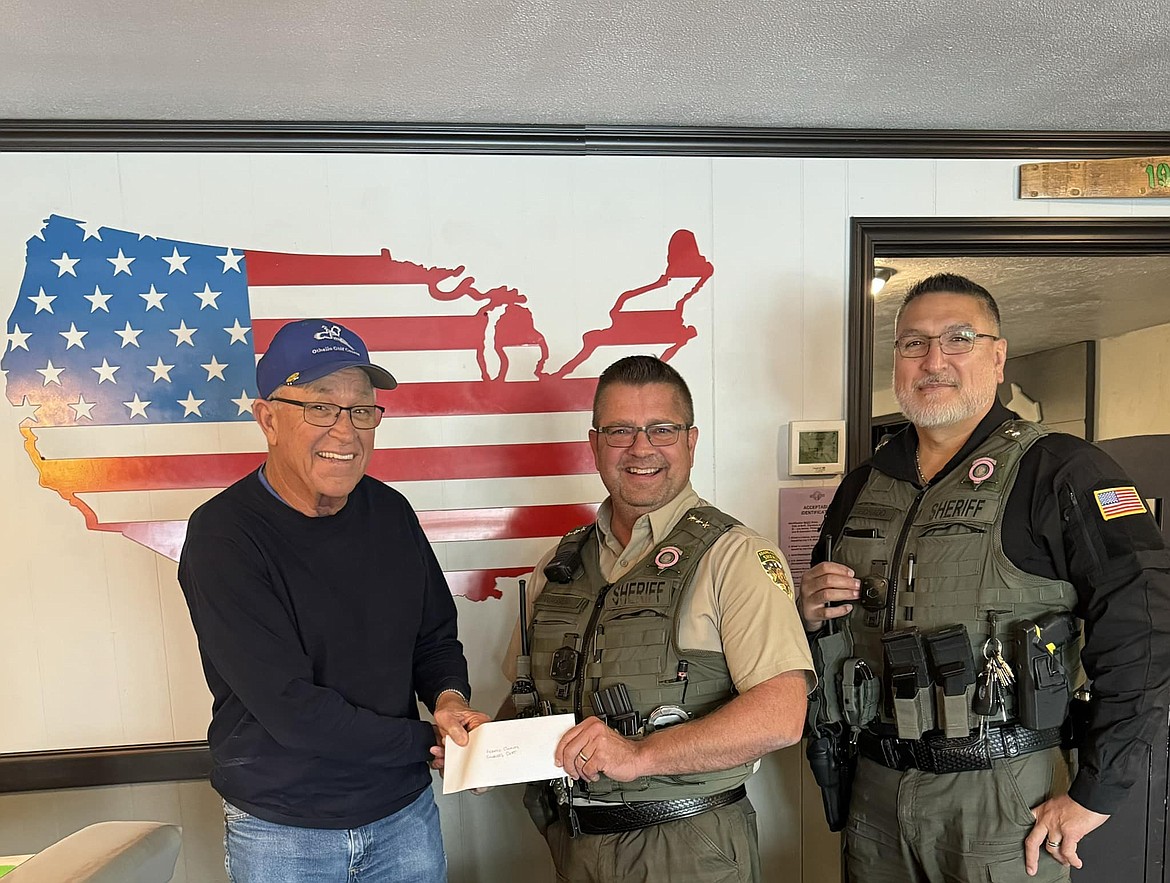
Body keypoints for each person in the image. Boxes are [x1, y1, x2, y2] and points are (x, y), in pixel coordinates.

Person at [799, 273, 1170, 882]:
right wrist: (810, 613)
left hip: (1002, 796)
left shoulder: (1064, 470)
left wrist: (1098, 790)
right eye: (913, 343)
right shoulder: (862, 486)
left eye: (958, 339)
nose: (933, 360)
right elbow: (829, 625)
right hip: (876, 789)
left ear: (998, 357)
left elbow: (1146, 628)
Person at [179, 318, 489, 883]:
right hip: (282, 828)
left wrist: (448, 701)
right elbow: (293, 711)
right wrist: (428, 739)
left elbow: (435, 637)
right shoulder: (224, 536)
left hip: (403, 816)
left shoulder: (391, 514)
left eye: (361, 410)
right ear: (268, 418)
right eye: (320, 408)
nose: (345, 432)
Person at [509, 354, 814, 883]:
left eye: (662, 429)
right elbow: (528, 694)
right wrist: (480, 746)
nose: (641, 448)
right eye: (620, 431)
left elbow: (781, 715)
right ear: (595, 444)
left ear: (691, 441)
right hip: (573, 841)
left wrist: (640, 755)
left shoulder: (734, 556)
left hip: (687, 848)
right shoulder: (557, 566)